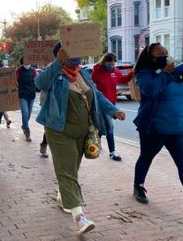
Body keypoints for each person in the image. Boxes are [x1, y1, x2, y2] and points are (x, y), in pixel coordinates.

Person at [35, 42, 126, 234]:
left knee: (71, 170)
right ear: (61, 55)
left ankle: (62, 197)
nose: (77, 56)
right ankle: (79, 217)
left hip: (82, 132)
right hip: (59, 131)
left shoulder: (82, 73)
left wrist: (113, 109)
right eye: (71, 53)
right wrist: (57, 62)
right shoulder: (54, 74)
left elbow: (97, 95)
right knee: (67, 171)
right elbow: (40, 83)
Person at [132, 43, 183, 204]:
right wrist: (166, 73)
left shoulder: (175, 74)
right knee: (146, 157)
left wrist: (170, 72)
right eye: (159, 53)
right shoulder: (145, 75)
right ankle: (138, 186)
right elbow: (151, 90)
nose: (164, 55)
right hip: (155, 128)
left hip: (178, 128)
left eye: (166, 53)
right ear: (150, 57)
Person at [91, 52, 133, 161]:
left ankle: (97, 143)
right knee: (109, 128)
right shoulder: (97, 72)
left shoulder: (115, 71)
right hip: (102, 104)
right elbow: (92, 88)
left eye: (113, 64)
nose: (111, 66)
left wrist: (132, 73)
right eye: (109, 63)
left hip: (112, 103)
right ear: (104, 62)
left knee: (102, 127)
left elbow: (123, 79)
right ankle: (112, 151)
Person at [16, 56, 37, 142]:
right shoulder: (18, 71)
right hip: (22, 95)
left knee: (28, 115)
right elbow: (14, 81)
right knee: (25, 113)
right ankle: (27, 131)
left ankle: (24, 125)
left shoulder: (34, 70)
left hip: (31, 94)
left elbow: (37, 80)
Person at [0, 59, 12, 128]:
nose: (2, 67)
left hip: (4, 92)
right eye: (1, 65)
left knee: (2, 108)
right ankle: (7, 120)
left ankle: (7, 120)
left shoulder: (6, 70)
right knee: (1, 108)